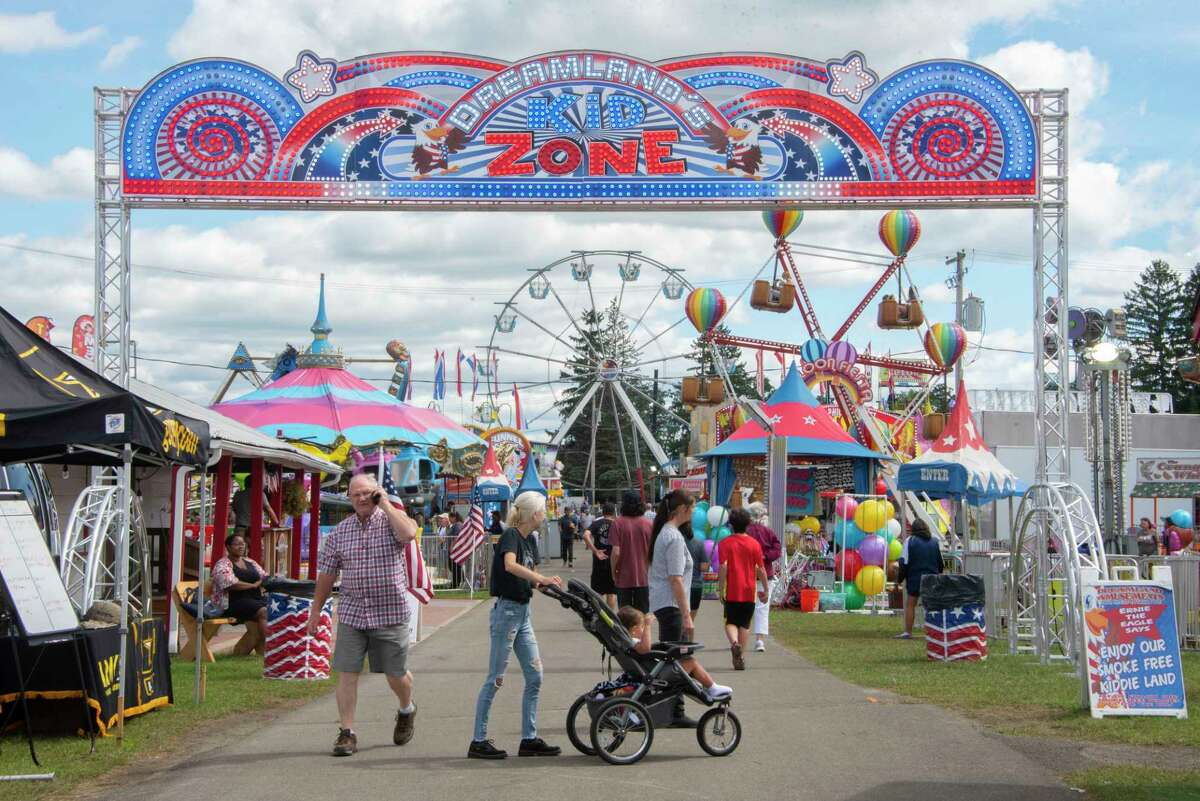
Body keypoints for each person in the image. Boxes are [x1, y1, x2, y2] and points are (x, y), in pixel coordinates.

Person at [306, 473, 420, 758]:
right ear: (349, 498)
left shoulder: (391, 521)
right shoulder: (340, 533)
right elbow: (327, 574)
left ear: (378, 493)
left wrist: (386, 505)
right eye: (356, 494)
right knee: (347, 672)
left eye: (367, 493)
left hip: (389, 612)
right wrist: (316, 610)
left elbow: (408, 534)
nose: (362, 498)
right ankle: (347, 732)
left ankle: (407, 708)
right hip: (353, 612)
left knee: (395, 674)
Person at [468, 491, 563, 760]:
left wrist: (550, 585)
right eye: (543, 511)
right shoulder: (512, 535)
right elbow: (510, 566)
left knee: (535, 676)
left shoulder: (530, 541)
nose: (545, 516)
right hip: (507, 613)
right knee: (495, 678)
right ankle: (478, 739)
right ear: (534, 514)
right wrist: (541, 578)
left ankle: (529, 738)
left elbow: (531, 579)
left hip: (523, 613)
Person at [648, 489, 701, 727]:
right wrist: (687, 615)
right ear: (683, 510)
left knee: (676, 658)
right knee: (676, 660)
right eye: (694, 507)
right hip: (671, 604)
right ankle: (672, 710)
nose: (696, 511)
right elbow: (676, 578)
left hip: (665, 602)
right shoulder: (674, 537)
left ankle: (674, 707)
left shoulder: (667, 533)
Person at [617, 606, 731, 702]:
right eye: (641, 627)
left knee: (685, 665)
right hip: (656, 673)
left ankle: (704, 687)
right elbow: (645, 649)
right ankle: (712, 687)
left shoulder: (625, 641)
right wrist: (647, 626)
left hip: (651, 669)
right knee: (691, 662)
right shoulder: (633, 641)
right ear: (634, 629)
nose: (643, 629)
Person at [718, 508, 768, 670]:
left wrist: (720, 589)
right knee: (745, 624)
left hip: (732, 590)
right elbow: (761, 569)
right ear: (748, 524)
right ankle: (742, 655)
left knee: (730, 622)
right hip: (749, 591)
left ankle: (734, 643)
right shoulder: (754, 544)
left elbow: (723, 567)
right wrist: (766, 589)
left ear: (731, 524)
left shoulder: (725, 543)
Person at [211, 533, 269, 650]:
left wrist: (262, 582)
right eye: (237, 544)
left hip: (255, 599)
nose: (241, 546)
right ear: (228, 547)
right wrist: (252, 585)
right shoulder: (222, 564)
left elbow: (264, 576)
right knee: (263, 612)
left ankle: (265, 647)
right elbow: (229, 583)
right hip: (233, 603)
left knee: (274, 608)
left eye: (243, 544)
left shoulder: (250, 562)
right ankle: (270, 647)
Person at [895, 519, 943, 639]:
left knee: (911, 604)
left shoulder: (910, 541)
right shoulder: (934, 541)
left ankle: (908, 632)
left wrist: (899, 580)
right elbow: (940, 563)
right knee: (931, 606)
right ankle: (934, 632)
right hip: (932, 579)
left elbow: (903, 563)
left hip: (915, 579)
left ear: (913, 529)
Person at [745, 502, 782, 653]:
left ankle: (739, 639)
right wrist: (765, 556)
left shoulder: (745, 531)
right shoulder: (768, 532)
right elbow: (777, 550)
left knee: (745, 607)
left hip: (746, 574)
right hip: (766, 573)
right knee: (762, 608)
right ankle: (759, 640)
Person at [610, 492, 652, 612]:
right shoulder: (649, 524)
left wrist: (613, 572)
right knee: (642, 616)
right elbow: (653, 552)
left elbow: (616, 552)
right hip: (644, 577)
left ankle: (626, 632)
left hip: (623, 577)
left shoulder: (617, 523)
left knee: (625, 617)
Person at [583, 501, 617, 609]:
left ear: (603, 512)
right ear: (614, 512)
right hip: (613, 562)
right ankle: (610, 618)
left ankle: (600, 617)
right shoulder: (617, 523)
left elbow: (585, 535)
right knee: (611, 593)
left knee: (598, 593)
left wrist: (595, 550)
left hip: (599, 561)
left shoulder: (596, 523)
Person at [684, 519, 708, 620]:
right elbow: (704, 567)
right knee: (690, 620)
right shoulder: (699, 543)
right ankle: (687, 636)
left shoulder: (675, 542)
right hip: (695, 585)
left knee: (680, 618)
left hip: (679, 584)